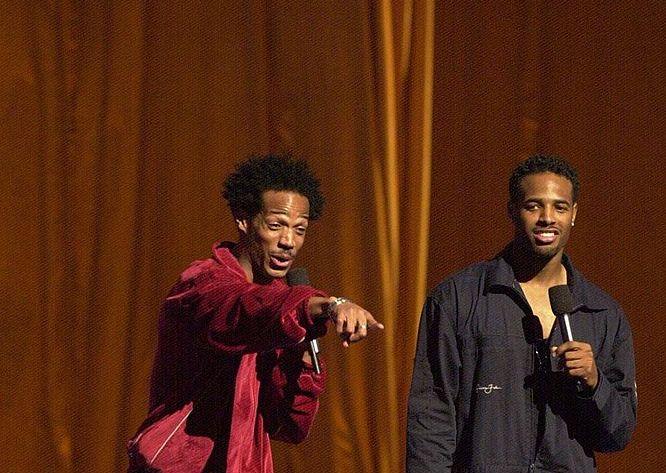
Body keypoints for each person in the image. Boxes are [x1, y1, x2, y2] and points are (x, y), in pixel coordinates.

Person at [128, 154, 383, 472]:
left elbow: (289, 427)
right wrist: (327, 304)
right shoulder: (202, 284)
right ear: (244, 219)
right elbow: (242, 311)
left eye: (299, 230)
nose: (288, 242)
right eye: (276, 226)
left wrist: (305, 361)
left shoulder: (284, 306)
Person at [407, 155, 636, 472]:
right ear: (512, 210)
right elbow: (431, 417)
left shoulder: (603, 313)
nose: (547, 218)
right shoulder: (458, 299)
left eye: (559, 207)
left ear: (574, 215)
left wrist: (594, 382)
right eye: (534, 206)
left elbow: (617, 435)